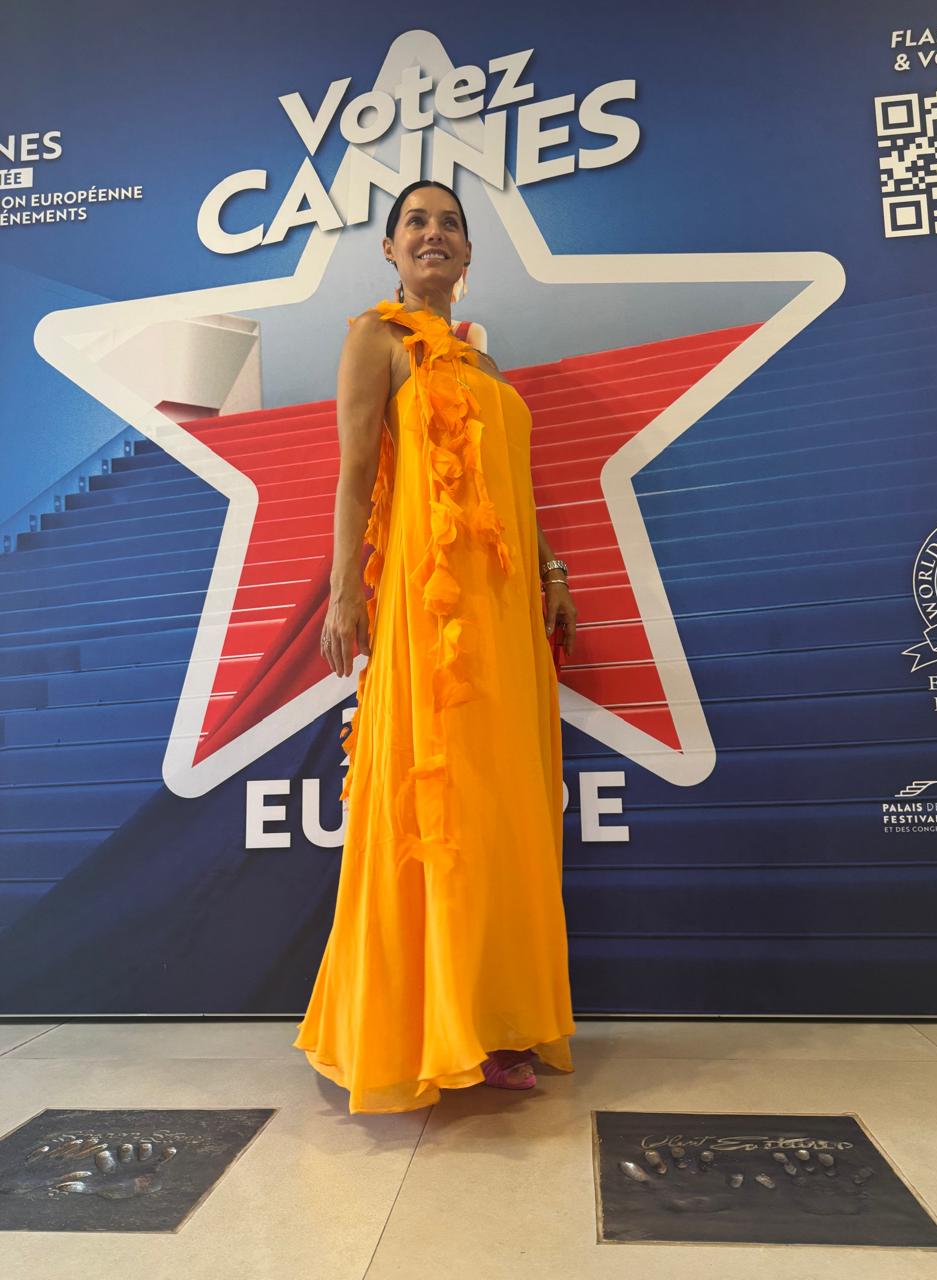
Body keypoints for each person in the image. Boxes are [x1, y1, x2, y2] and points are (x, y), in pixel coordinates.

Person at [292, 179, 578, 1113]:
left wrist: (553, 572)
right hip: (428, 608)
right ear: (389, 247)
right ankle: (436, 1022)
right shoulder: (375, 338)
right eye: (415, 221)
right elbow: (354, 474)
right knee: (445, 803)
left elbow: (509, 491)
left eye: (450, 223)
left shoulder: (486, 365)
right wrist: (346, 590)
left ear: (466, 252)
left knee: (503, 807)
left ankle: (498, 1016)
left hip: (505, 610)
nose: (433, 233)